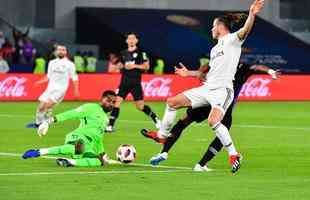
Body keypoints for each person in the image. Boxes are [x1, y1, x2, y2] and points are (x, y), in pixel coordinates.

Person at [141, 0, 265, 173]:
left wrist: (252, 13)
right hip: (207, 88)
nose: (212, 29)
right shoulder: (215, 50)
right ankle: (162, 136)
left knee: (213, 121)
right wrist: (189, 74)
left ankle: (233, 154)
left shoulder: (232, 40)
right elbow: (207, 75)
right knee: (171, 102)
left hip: (223, 90)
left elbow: (245, 31)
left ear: (220, 26)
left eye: (213, 26)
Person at [142, 62, 280, 171]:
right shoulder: (240, 65)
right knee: (221, 133)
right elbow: (257, 67)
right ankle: (201, 165)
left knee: (183, 122)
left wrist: (191, 73)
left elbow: (202, 72)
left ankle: (164, 150)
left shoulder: (222, 63)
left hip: (208, 98)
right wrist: (270, 71)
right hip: (223, 105)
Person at [22, 90, 117, 167]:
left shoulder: (105, 120)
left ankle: (69, 162)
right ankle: (40, 152)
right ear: (102, 99)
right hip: (78, 137)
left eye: (113, 102)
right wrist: (49, 121)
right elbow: (70, 114)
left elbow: (98, 139)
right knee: (78, 147)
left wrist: (102, 154)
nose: (111, 104)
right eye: (108, 100)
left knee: (98, 161)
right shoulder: (90, 107)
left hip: (89, 146)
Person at [105, 32, 161, 132]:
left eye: (133, 38)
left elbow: (147, 66)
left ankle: (155, 118)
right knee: (116, 102)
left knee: (140, 106)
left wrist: (134, 66)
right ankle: (110, 126)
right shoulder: (123, 53)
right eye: (129, 38)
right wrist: (115, 67)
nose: (131, 40)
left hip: (135, 83)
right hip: (124, 83)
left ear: (136, 40)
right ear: (126, 41)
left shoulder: (141, 53)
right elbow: (120, 66)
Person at [26, 45, 80, 128]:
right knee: (40, 107)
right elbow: (48, 76)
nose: (61, 51)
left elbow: (74, 77)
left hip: (60, 90)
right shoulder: (52, 63)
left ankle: (45, 123)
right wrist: (39, 82)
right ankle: (37, 124)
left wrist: (76, 90)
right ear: (56, 52)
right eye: (59, 50)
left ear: (66, 52)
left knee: (46, 106)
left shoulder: (70, 64)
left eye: (63, 50)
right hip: (50, 88)